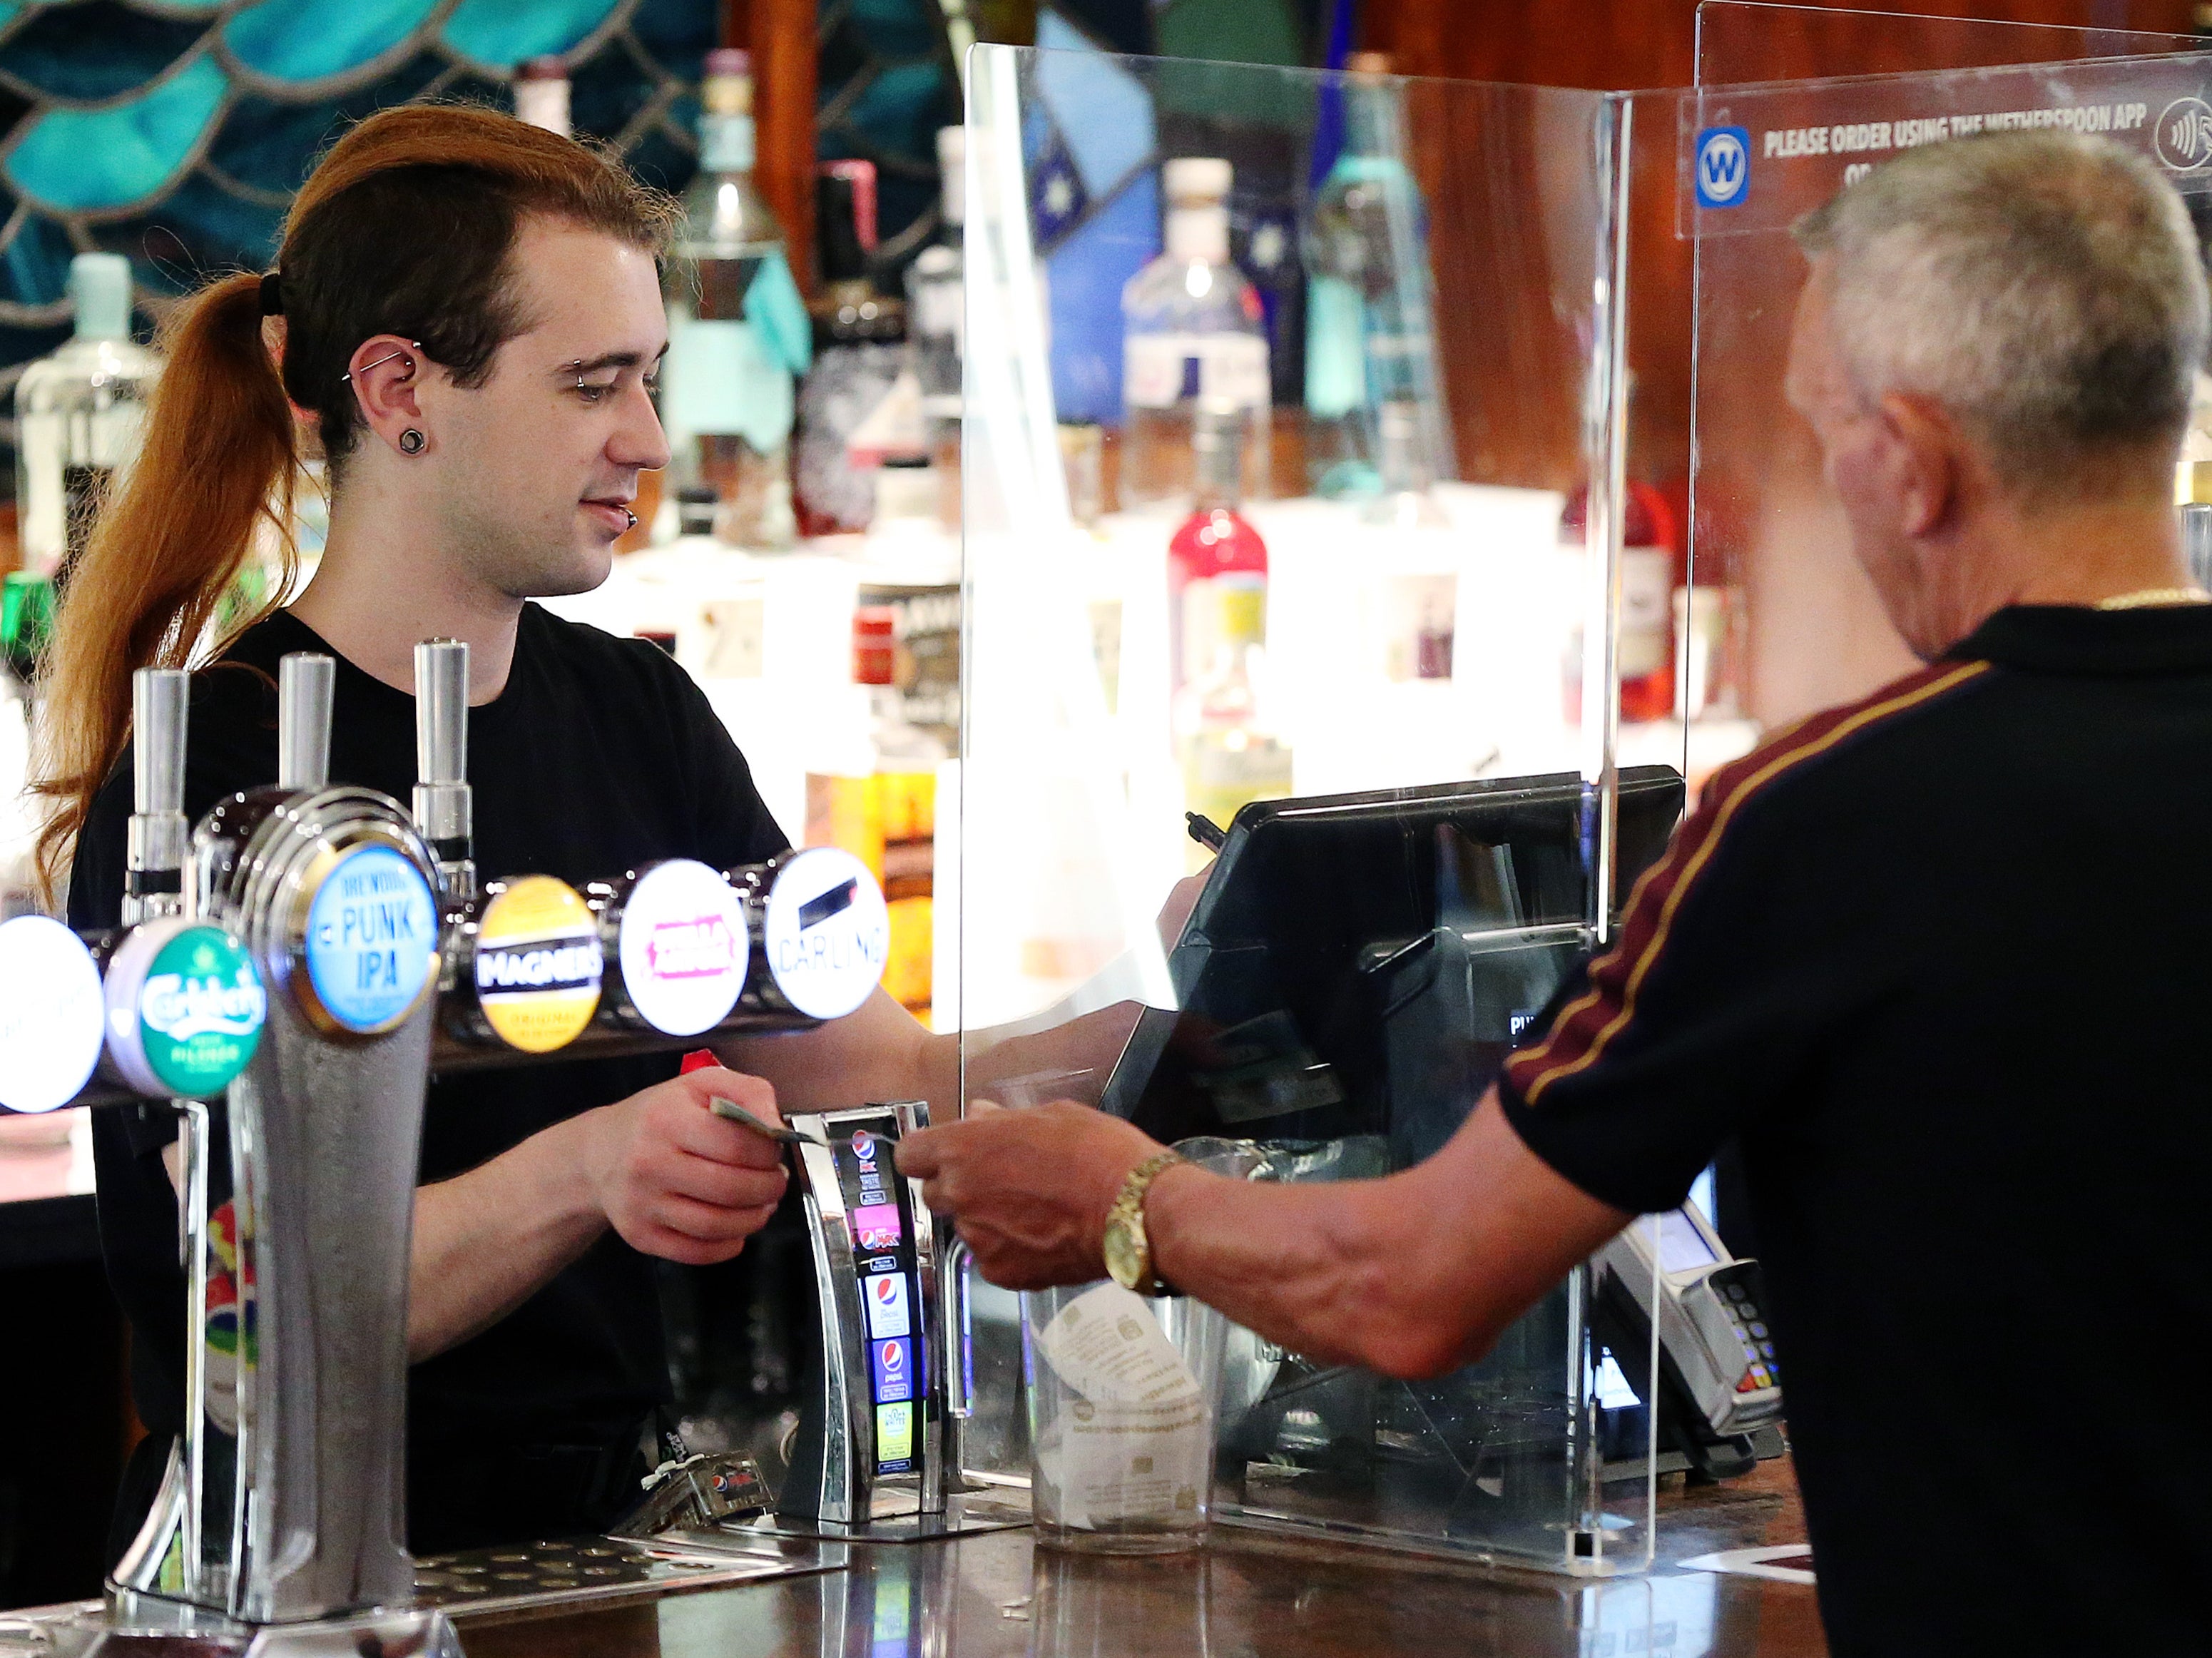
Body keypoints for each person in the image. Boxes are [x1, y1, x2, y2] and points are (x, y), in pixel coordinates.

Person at [899, 130, 2212, 1656]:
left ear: (1913, 463)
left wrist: (1120, 1197)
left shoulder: (1831, 821)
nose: (1828, 487)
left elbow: (1418, 1290)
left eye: (1823, 433)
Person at [37, 105, 967, 1558]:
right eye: (595, 383)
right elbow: (247, 1296)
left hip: (601, 1555)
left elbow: (879, 1069)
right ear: (402, 386)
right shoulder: (216, 769)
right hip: (302, 1565)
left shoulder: (638, 708)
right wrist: (588, 1167)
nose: (648, 438)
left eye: (648, 379)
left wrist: (1165, 1008)